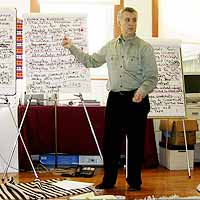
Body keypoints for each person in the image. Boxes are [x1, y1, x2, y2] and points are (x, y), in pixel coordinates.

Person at [63, 7, 158, 191]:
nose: (131, 23)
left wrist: (142, 91)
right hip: (115, 100)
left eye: (134, 20)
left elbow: (152, 77)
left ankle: (134, 181)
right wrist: (71, 47)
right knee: (111, 143)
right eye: (127, 20)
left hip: (136, 100)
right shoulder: (110, 46)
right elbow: (90, 61)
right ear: (119, 22)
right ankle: (109, 180)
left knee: (136, 143)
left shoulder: (145, 48)